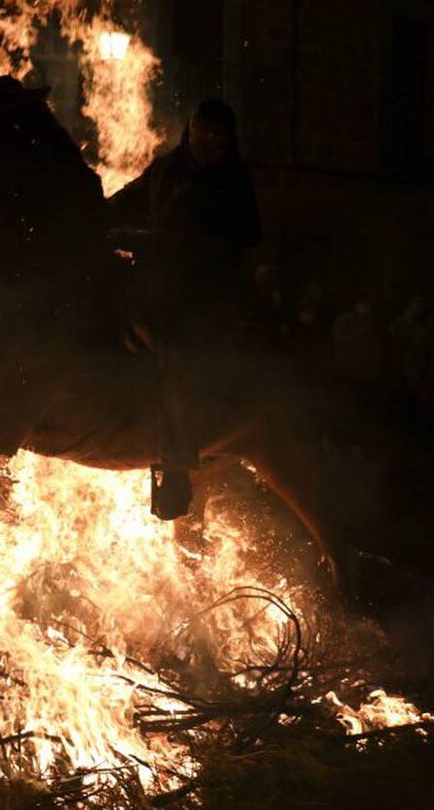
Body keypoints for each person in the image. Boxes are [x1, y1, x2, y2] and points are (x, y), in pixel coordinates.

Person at [107, 99, 261, 519]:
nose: (207, 142)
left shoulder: (234, 183)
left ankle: (175, 465)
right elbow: (130, 199)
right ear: (189, 129)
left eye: (216, 136)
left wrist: (141, 241)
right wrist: (91, 217)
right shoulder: (168, 168)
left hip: (200, 297)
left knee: (173, 353)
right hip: (154, 282)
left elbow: (218, 245)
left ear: (228, 140)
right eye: (200, 131)